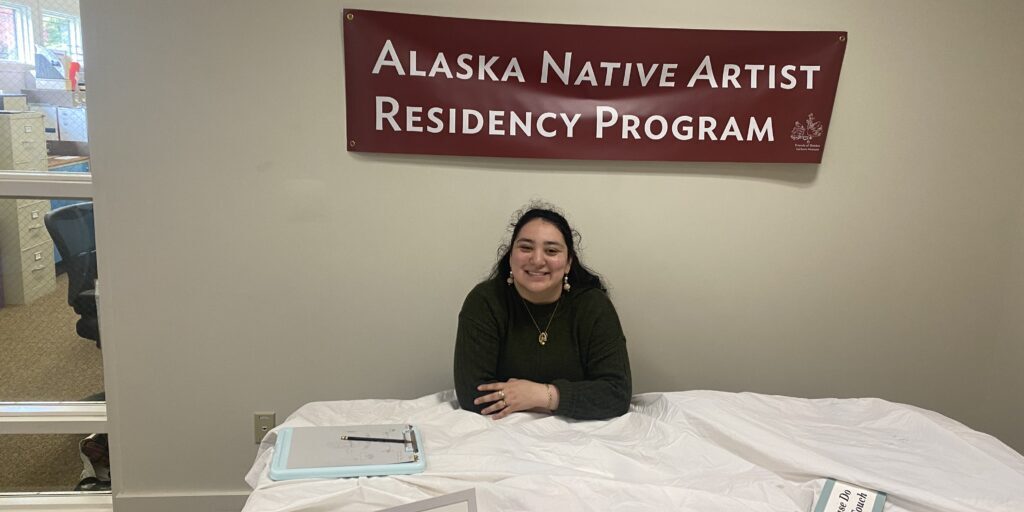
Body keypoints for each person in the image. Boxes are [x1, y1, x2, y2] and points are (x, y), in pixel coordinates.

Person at [453, 205, 632, 420]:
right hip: (502, 434)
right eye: (526, 248)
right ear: (510, 256)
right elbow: (472, 394)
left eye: (552, 251)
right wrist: (572, 400)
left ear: (568, 264)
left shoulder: (593, 306)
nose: (537, 260)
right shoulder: (485, 302)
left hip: (580, 436)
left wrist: (542, 396)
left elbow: (616, 394)